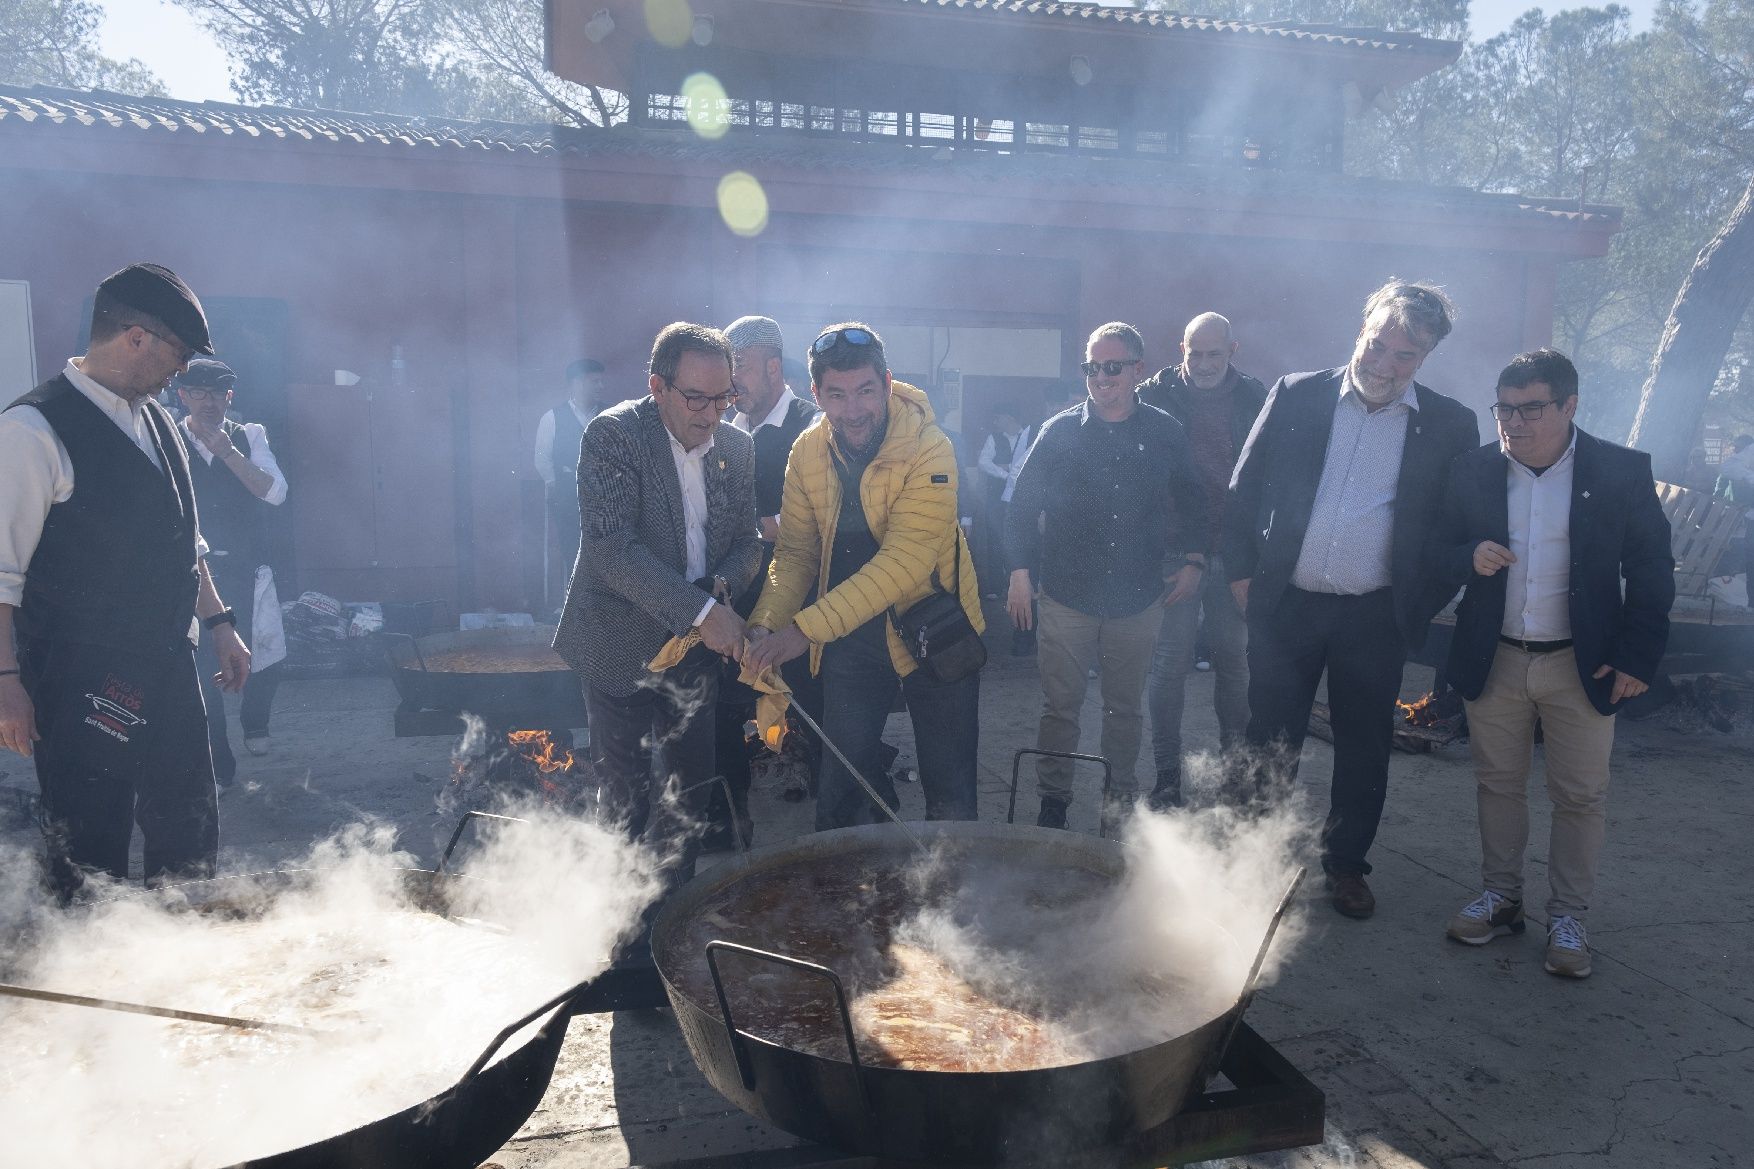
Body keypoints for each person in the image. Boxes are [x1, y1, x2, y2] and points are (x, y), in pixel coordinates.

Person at [1223, 279, 1478, 919]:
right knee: (1268, 738)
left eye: (1404, 356)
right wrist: (1241, 572)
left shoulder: (1450, 424)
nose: (1384, 364)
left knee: (1364, 744)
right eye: (1377, 345)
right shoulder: (1298, 394)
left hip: (1375, 614)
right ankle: (1252, 864)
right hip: (1288, 606)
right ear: (1360, 330)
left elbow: (1456, 527)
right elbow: (1243, 487)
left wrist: (1415, 605)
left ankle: (1345, 866)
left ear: (1425, 360)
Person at [0, 263, 251, 895]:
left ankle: (183, 954)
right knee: (89, 835)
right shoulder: (31, 430)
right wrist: (6, 683)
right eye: (178, 355)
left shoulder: (160, 421)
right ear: (135, 337)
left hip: (169, 658)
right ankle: (85, 974)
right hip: (78, 672)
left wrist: (220, 624)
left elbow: (182, 539)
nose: (182, 373)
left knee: (188, 819)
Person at [1435, 349, 1672, 978]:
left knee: (1580, 796)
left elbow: (1651, 567)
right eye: (1505, 409)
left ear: (1569, 406)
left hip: (1583, 664)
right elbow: (1437, 546)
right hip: (1499, 657)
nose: (1514, 422)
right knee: (1497, 784)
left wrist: (1637, 657)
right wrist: (1468, 556)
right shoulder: (1473, 470)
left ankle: (1569, 917)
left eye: (1531, 409)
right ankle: (1503, 896)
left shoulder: (1620, 471)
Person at [551, 324, 760, 912]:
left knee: (689, 789)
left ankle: (670, 914)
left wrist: (720, 591)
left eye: (724, 399)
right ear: (658, 387)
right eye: (696, 398)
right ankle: (608, 927)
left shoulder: (737, 448)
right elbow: (611, 549)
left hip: (695, 649)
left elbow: (747, 543)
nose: (712, 414)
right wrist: (700, 610)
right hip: (619, 640)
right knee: (624, 792)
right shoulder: (613, 435)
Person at [745, 323, 983, 831]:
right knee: (842, 782)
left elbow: (905, 561)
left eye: (865, 392)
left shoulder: (930, 446)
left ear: (888, 383)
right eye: (837, 395)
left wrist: (802, 631)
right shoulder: (806, 453)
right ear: (817, 394)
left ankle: (959, 898)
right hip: (851, 638)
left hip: (937, 628)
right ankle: (841, 898)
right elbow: (794, 553)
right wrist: (767, 622)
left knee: (951, 788)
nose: (853, 411)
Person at [1006, 323, 1207, 832]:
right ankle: (1054, 803)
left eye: (1112, 367)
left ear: (1137, 370)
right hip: (1067, 597)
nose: (1101, 377)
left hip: (1138, 599)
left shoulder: (1164, 431)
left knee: (1125, 710)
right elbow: (1022, 507)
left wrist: (1195, 560)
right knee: (1060, 709)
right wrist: (1019, 574)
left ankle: (1117, 806)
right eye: (1092, 367)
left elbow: (1195, 500)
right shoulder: (1060, 432)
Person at [1136, 312, 1268, 807]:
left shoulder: (1256, 397)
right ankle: (1167, 775)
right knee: (1169, 665)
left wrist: (1257, 555)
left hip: (1235, 552)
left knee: (1236, 664)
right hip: (1174, 551)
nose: (1205, 363)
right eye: (1196, 353)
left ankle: (1235, 773)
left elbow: (1267, 480)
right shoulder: (1154, 394)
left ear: (1232, 350)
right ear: (1181, 349)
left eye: (1215, 353)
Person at [700, 315, 821, 849]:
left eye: (741, 369)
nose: (732, 385)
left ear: (774, 365)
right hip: (735, 593)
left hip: (802, 599)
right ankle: (730, 823)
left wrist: (758, 529)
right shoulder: (724, 429)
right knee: (725, 708)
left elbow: (822, 524)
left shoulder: (814, 427)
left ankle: (835, 830)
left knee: (814, 709)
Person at [176, 359, 289, 782]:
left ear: (230, 398)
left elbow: (275, 493)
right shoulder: (167, 433)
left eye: (217, 395)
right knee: (201, 663)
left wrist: (226, 450)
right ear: (182, 395)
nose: (209, 403)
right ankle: (219, 763)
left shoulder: (249, 435)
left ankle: (256, 722)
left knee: (263, 653)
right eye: (198, 393)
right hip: (192, 569)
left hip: (246, 565)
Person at [534, 357, 613, 614]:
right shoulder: (553, 417)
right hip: (567, 496)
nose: (600, 386)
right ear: (577, 383)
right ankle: (575, 609)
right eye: (594, 381)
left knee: (605, 550)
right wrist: (554, 483)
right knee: (572, 550)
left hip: (606, 498)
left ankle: (604, 607)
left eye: (601, 380)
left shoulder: (611, 415)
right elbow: (542, 457)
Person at [976, 412, 1028, 591]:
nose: (996, 422)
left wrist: (1009, 468)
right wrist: (1006, 474)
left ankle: (1017, 585)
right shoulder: (994, 438)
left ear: (1011, 418)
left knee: (1019, 539)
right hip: (996, 498)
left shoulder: (1028, 435)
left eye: (999, 419)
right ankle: (996, 586)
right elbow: (983, 462)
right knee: (995, 537)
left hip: (1022, 498)